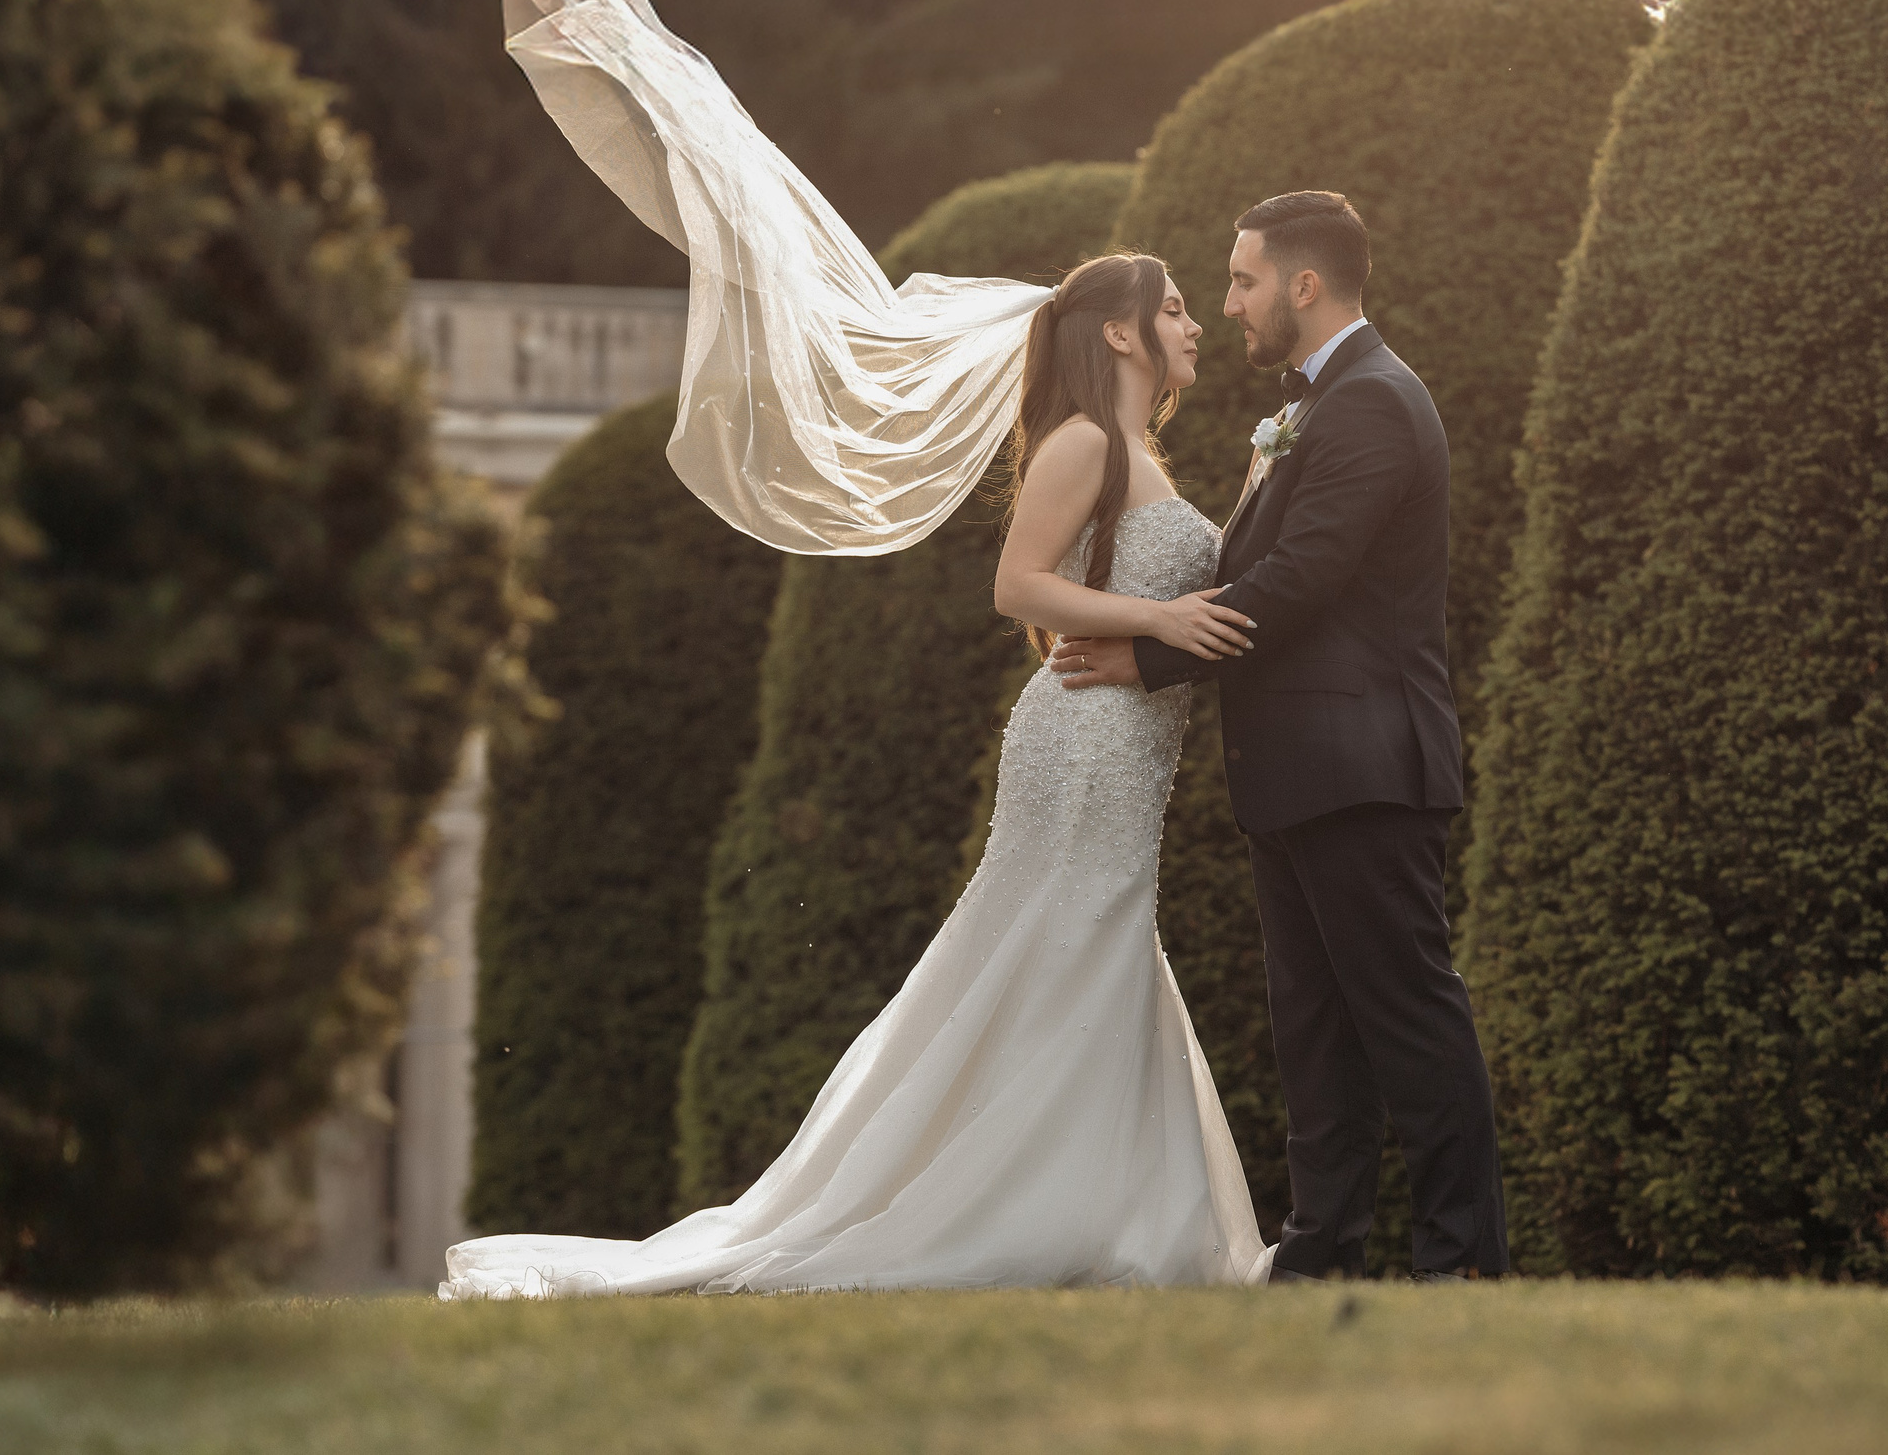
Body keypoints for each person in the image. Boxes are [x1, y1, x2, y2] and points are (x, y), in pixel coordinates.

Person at [443, 253, 1276, 1296]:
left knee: (1087, 944)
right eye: (1174, 308)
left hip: (1129, 738)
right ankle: (1051, 1211)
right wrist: (1157, 617)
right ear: (1117, 333)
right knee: (1078, 939)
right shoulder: (1082, 444)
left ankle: (1115, 1205)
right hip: (1083, 738)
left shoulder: (1137, 451)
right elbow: (1016, 585)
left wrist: (1251, 504)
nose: (1194, 324)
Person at [1053, 191, 1509, 1282]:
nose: (1228, 305)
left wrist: (1147, 655)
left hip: (1365, 769)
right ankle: (1321, 1250)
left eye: (1244, 281)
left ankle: (1462, 1262)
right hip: (1298, 772)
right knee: (1315, 1033)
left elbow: (1299, 581)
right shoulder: (1315, 405)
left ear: (1305, 287)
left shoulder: (1372, 404)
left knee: (1407, 1022)